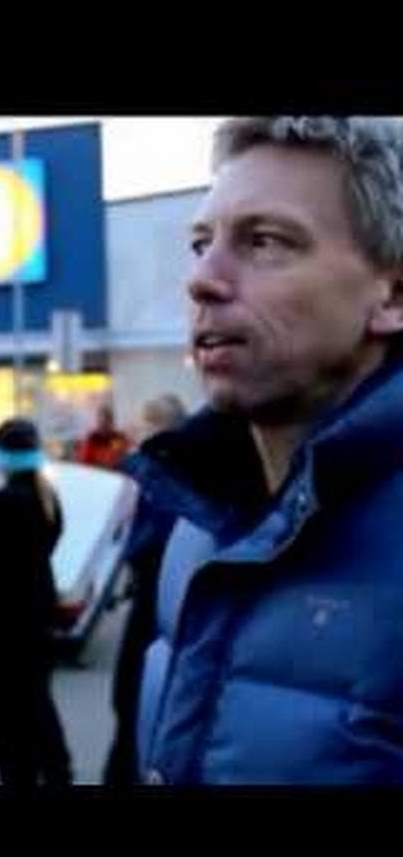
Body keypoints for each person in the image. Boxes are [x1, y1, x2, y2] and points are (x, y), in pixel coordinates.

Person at [118, 117, 403, 785]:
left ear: (391, 295)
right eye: (201, 244)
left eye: (265, 241)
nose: (202, 280)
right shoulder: (200, 517)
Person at [0, 416, 72, 787]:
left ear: (1, 456)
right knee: (36, 702)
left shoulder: (4, 501)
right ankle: (57, 773)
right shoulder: (47, 498)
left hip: (5, 621)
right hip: (38, 613)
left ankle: (21, 777)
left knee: (3, 715)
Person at [102, 393, 187, 785]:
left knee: (132, 703)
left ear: (161, 429)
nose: (137, 430)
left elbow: (148, 544)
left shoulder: (165, 479)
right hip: (156, 602)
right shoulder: (166, 474)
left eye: (146, 423)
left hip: (155, 605)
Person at [74, 404, 131, 470]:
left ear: (111, 422)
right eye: (102, 422)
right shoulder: (92, 438)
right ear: (98, 422)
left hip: (113, 471)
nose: (104, 425)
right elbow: (84, 460)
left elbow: (119, 455)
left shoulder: (118, 438)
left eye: (107, 421)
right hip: (95, 471)